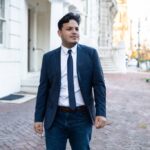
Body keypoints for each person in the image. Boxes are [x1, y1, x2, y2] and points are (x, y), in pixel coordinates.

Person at [34, 12, 107, 150]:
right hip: (55, 118)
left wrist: (101, 112)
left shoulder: (90, 54)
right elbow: (43, 89)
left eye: (76, 29)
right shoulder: (49, 58)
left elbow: (99, 85)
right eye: (69, 29)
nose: (74, 32)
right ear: (59, 32)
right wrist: (38, 118)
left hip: (81, 117)